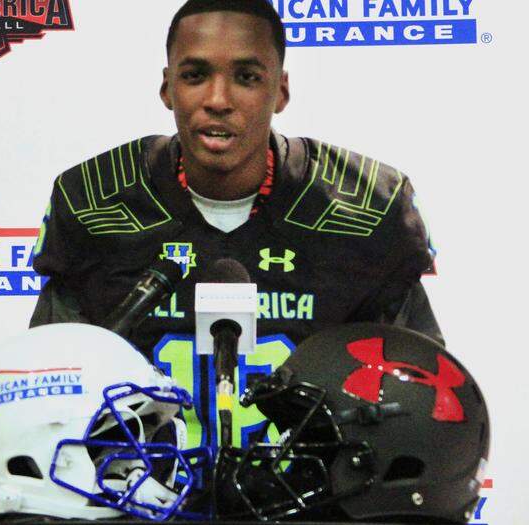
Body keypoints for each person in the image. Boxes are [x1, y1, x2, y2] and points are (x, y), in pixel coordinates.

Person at [30, 0, 441, 448]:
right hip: (136, 504)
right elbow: (50, 400)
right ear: (167, 88)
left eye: (246, 77)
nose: (218, 100)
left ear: (280, 91)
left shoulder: (364, 209)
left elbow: (420, 405)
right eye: (195, 75)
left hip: (318, 508)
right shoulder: (97, 202)